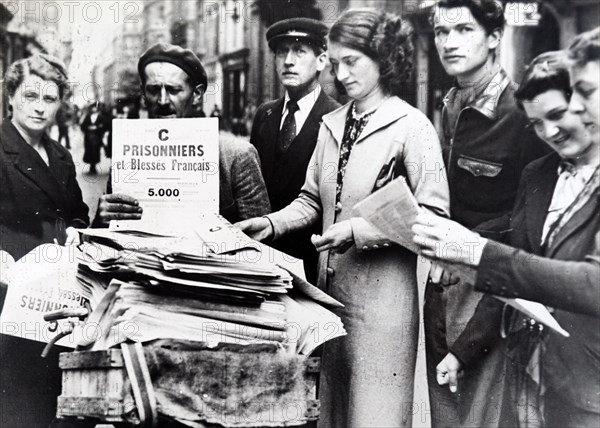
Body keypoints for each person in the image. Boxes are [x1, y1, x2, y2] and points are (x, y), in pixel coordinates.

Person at [238, 9, 449, 427]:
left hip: (386, 308)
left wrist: (358, 230)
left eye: (352, 61)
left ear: (383, 58)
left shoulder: (412, 127)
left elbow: (433, 216)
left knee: (375, 415)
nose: (342, 73)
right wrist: (272, 224)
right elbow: (312, 199)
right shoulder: (332, 123)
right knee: (333, 413)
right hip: (330, 303)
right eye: (335, 63)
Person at [413, 38, 600, 427]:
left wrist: (476, 251)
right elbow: (513, 281)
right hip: (528, 377)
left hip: (587, 390)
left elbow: (591, 283)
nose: (550, 132)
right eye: (535, 123)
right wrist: (464, 352)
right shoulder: (539, 175)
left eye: (559, 114)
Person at [424, 1, 550, 426]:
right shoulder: (452, 104)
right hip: (443, 289)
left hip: (489, 299)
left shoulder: (521, 116)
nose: (449, 42)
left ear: (495, 37)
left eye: (463, 30)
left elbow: (526, 235)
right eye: (441, 32)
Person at [0, 54, 89, 427]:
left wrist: (77, 229)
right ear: (10, 97)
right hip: (8, 286)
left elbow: (78, 210)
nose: (39, 107)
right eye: (30, 95)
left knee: (52, 387)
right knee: (16, 392)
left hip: (55, 290)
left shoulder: (60, 156)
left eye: (50, 99)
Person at [94, 43, 270, 227]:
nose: (162, 100)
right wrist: (100, 221)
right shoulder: (127, 157)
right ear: (144, 95)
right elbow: (103, 245)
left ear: (196, 94)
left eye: (174, 90)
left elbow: (259, 241)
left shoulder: (236, 156)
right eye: (153, 90)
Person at [250, 17, 340, 284]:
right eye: (281, 52)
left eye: (299, 51)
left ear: (321, 60)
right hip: (263, 257)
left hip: (309, 263)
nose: (288, 61)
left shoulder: (336, 117)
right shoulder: (264, 115)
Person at [80, 102, 108, 174]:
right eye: (93, 108)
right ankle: (91, 167)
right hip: (88, 136)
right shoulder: (88, 116)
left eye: (95, 108)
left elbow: (104, 126)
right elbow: (83, 126)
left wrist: (97, 127)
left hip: (97, 136)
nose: (94, 109)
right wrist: (88, 127)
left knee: (95, 151)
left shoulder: (100, 117)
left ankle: (94, 167)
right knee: (89, 151)